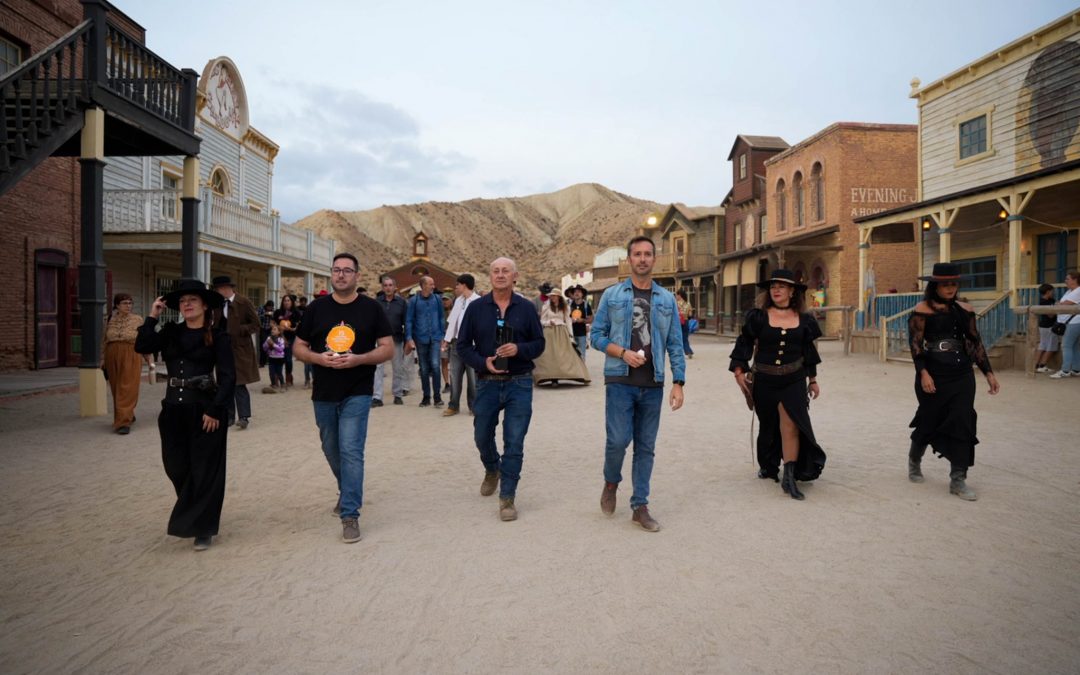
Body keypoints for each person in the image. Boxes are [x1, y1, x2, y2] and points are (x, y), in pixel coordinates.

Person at [293, 253, 393, 543]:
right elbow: (298, 347)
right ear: (331, 275)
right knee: (330, 447)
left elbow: (387, 349)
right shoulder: (316, 309)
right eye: (336, 270)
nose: (341, 275)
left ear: (357, 276)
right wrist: (316, 359)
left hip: (357, 390)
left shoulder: (371, 309)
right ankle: (346, 487)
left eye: (347, 270)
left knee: (351, 450)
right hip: (324, 392)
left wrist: (359, 358)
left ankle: (350, 514)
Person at [591, 236, 685, 531]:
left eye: (647, 254)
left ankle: (640, 505)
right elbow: (595, 336)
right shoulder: (612, 295)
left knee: (646, 446)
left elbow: (674, 343)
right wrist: (622, 352)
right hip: (619, 380)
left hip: (653, 383)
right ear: (629, 260)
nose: (642, 259)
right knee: (618, 441)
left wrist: (678, 381)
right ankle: (611, 482)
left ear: (653, 259)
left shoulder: (666, 299)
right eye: (637, 254)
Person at [135, 279, 235, 552]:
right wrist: (152, 316)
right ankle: (195, 512)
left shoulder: (218, 336)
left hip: (205, 411)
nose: (187, 304)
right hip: (172, 411)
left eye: (192, 299)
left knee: (205, 471)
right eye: (182, 301)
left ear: (204, 305)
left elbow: (228, 377)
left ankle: (203, 528)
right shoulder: (170, 332)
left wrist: (216, 409)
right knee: (176, 467)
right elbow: (142, 346)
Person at [457, 257, 545, 521]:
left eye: (505, 270)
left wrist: (520, 349)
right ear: (490, 276)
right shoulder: (476, 309)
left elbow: (539, 343)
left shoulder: (527, 308)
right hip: (487, 383)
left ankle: (507, 497)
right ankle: (492, 468)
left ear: (514, 276)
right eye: (495, 271)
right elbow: (462, 346)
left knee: (514, 442)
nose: (500, 274)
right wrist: (482, 362)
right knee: (481, 436)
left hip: (519, 382)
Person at [730, 269, 827, 500]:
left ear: (792, 291)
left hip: (793, 379)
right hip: (764, 380)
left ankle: (789, 476)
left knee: (791, 425)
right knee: (769, 426)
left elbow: (808, 352)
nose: (776, 290)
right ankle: (769, 465)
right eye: (773, 286)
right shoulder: (758, 316)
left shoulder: (805, 320)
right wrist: (738, 370)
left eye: (782, 286)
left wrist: (812, 380)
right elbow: (744, 342)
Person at [907, 262, 1000, 500]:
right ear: (935, 285)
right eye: (945, 284)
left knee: (963, 421)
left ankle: (958, 480)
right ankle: (914, 460)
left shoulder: (965, 309)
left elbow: (975, 343)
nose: (950, 288)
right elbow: (916, 346)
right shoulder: (922, 309)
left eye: (953, 284)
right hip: (934, 373)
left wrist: (988, 372)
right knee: (929, 420)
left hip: (962, 375)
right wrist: (923, 373)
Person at [212, 276, 260, 429]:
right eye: (218, 289)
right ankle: (229, 416)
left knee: (239, 384)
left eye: (221, 288)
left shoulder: (243, 302)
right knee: (225, 384)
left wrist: (240, 330)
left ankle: (244, 417)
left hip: (240, 349)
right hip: (222, 348)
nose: (220, 291)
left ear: (228, 288)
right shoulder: (218, 304)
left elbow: (256, 324)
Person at [102, 293, 147, 434]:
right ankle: (127, 414)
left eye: (130, 303)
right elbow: (105, 340)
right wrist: (102, 359)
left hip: (131, 353)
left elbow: (144, 339)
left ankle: (123, 423)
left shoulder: (138, 319)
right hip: (112, 354)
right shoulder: (110, 319)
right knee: (116, 388)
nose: (128, 306)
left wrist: (149, 358)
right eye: (124, 303)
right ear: (117, 305)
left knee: (127, 387)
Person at [533, 287, 591, 387]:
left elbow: (568, 322)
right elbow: (542, 320)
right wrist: (548, 322)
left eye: (554, 296)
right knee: (549, 355)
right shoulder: (546, 306)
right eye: (551, 296)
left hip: (561, 332)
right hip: (549, 332)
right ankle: (552, 379)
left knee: (564, 355)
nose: (552, 298)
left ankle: (576, 375)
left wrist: (570, 335)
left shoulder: (565, 307)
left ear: (559, 297)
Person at [442, 273, 480, 416]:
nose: (456, 287)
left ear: (464, 285)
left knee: (472, 378)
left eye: (457, 284)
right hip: (457, 343)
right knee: (455, 376)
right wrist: (446, 340)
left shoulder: (478, 301)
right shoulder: (458, 301)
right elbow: (452, 322)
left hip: (472, 345)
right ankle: (453, 405)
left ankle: (474, 407)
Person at [405, 275, 445, 408]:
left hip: (435, 337)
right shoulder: (413, 301)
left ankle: (437, 397)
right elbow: (409, 320)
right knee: (423, 369)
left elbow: (441, 317)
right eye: (431, 284)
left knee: (435, 365)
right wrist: (409, 338)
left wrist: (443, 336)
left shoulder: (437, 299)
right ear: (423, 286)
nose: (433, 286)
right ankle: (426, 397)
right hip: (420, 338)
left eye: (433, 284)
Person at [372, 276, 409, 406]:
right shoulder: (376, 302)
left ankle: (397, 395)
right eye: (385, 285)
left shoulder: (402, 303)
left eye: (390, 285)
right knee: (378, 369)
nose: (388, 288)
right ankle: (377, 397)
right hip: (380, 341)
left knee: (398, 368)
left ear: (394, 287)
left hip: (397, 340)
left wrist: (408, 340)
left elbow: (406, 322)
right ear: (382, 287)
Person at [1049, 270, 1080, 379]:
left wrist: (1059, 304)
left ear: (1075, 280)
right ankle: (1076, 369)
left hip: (1074, 322)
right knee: (1074, 346)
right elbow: (1061, 303)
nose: (1065, 281)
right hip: (1070, 322)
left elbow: (1066, 304)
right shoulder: (1069, 291)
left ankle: (1065, 370)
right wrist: (1060, 304)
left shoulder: (1078, 290)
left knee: (1066, 345)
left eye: (1068, 279)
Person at [273, 295, 300, 389]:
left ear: (292, 302)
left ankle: (289, 376)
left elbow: (299, 326)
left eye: (288, 300)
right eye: (285, 300)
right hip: (279, 338)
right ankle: (276, 378)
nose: (286, 302)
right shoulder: (278, 312)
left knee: (288, 359)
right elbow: (273, 323)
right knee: (278, 358)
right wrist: (278, 328)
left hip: (291, 338)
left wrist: (292, 329)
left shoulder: (296, 313)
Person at [1035, 283, 1060, 374]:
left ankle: (1036, 365)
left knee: (1043, 345)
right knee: (1051, 346)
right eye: (1052, 291)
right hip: (1048, 326)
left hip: (1044, 326)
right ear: (1048, 292)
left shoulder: (1051, 300)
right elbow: (1050, 315)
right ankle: (1042, 365)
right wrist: (1057, 308)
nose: (1053, 293)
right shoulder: (1043, 302)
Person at [569, 285, 592, 359]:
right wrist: (570, 320)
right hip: (570, 335)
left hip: (582, 335)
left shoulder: (586, 306)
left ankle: (581, 370)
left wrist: (583, 320)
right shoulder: (569, 305)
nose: (576, 293)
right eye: (575, 292)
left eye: (579, 292)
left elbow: (591, 319)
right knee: (571, 356)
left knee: (581, 356)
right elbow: (565, 318)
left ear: (582, 294)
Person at [262, 323, 287, 393]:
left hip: (279, 358)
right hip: (271, 358)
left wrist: (273, 344)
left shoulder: (281, 339)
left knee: (279, 373)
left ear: (279, 332)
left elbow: (281, 349)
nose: (272, 331)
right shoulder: (268, 338)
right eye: (272, 329)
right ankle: (273, 385)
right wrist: (267, 343)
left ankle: (282, 385)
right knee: (271, 373)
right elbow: (264, 348)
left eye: (275, 329)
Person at [675, 289, 695, 359]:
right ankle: (688, 351)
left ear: (679, 295)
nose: (676, 296)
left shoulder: (676, 304)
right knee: (685, 338)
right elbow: (690, 314)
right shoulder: (688, 303)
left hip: (678, 323)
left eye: (676, 295)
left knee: (677, 338)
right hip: (686, 322)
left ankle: (678, 353)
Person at [441, 291, 454, 394]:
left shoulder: (456, 311)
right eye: (443, 300)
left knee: (453, 363)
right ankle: (447, 383)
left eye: (446, 300)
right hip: (443, 339)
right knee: (444, 360)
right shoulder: (440, 312)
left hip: (454, 340)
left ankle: (454, 383)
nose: (444, 302)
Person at [257, 300, 274, 367]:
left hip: (270, 329)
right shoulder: (261, 308)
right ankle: (262, 362)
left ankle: (268, 361)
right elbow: (257, 316)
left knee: (270, 345)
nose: (270, 309)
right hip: (263, 328)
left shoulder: (273, 310)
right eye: (269, 307)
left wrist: (272, 315)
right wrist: (265, 314)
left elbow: (274, 318)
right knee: (263, 345)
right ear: (266, 306)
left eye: (271, 307)